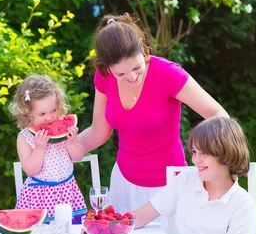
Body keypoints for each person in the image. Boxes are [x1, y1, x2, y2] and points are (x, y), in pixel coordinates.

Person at [77, 13, 228, 214]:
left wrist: (207, 153)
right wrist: (62, 149)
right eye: (120, 74)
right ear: (106, 67)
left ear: (142, 45)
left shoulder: (168, 74)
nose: (131, 77)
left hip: (168, 187)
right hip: (123, 184)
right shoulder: (104, 77)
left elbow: (218, 114)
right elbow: (98, 132)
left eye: (136, 68)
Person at [9, 75, 87, 223]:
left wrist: (71, 143)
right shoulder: (24, 137)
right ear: (26, 113)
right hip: (39, 196)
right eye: (42, 114)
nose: (49, 117)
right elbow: (31, 170)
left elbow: (79, 156)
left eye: (53, 110)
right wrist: (39, 148)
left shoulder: (67, 130)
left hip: (67, 192)